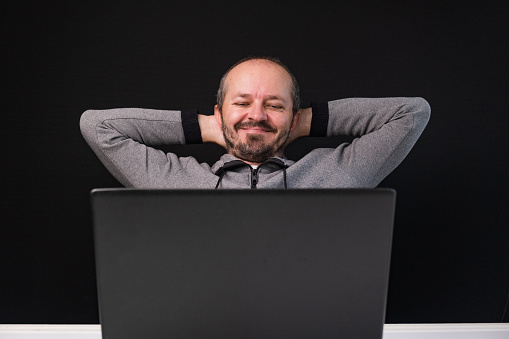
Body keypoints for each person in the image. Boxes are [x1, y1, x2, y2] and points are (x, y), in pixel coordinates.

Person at [80, 56, 430, 189]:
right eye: (242, 103)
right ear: (219, 113)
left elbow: (412, 113)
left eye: (274, 106)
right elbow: (97, 126)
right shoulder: (175, 181)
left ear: (294, 119)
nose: (257, 115)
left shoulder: (336, 175)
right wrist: (206, 126)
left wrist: (298, 122)